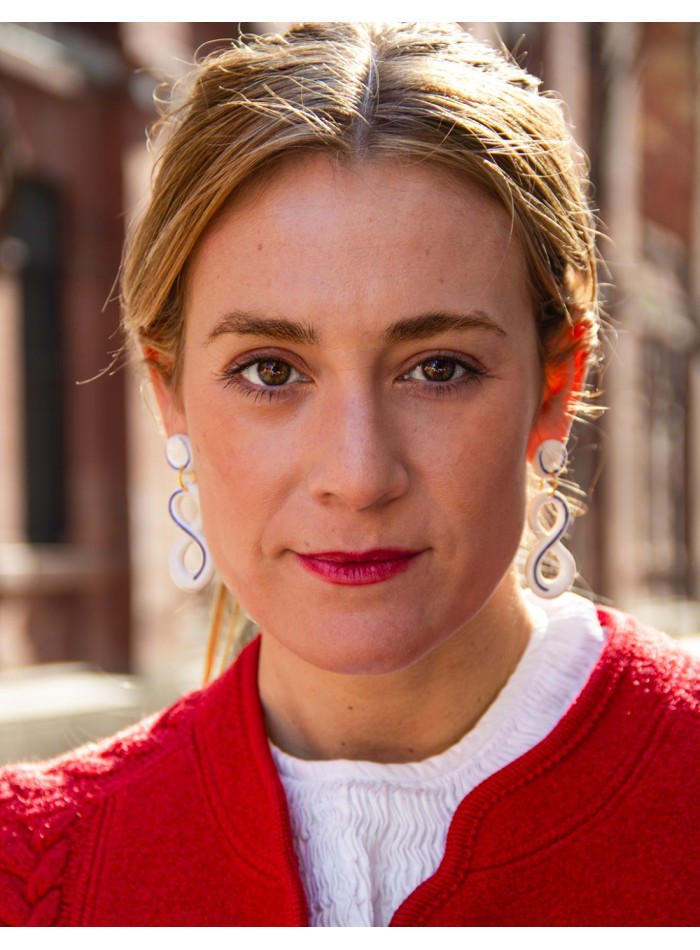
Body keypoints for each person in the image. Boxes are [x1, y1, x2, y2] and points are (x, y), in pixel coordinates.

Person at [1, 22, 699, 927]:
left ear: (555, 384)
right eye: (270, 371)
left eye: (438, 367)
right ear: (169, 391)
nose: (359, 475)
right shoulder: (32, 875)